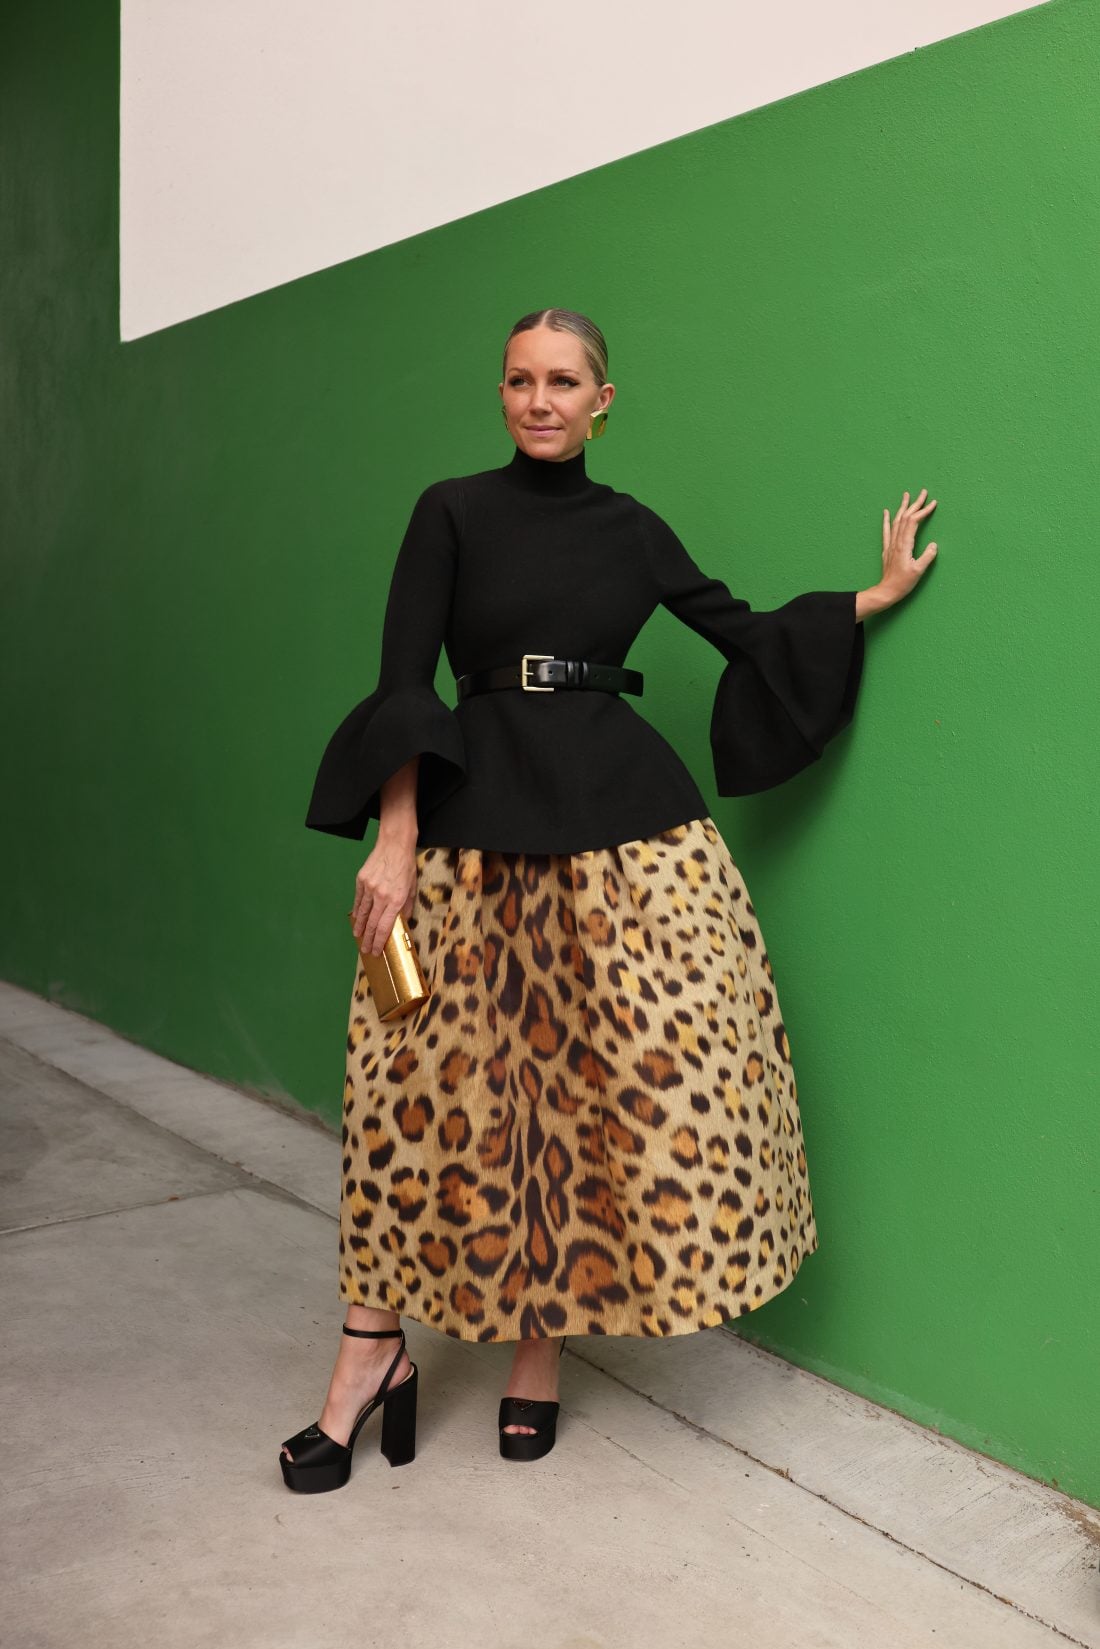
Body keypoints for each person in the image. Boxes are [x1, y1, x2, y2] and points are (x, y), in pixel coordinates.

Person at [279, 307, 938, 1488]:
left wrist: (868, 598)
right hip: (473, 823)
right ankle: (370, 1351)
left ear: (601, 400)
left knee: (584, 1094)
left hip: (617, 823)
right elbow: (401, 681)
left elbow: (738, 629)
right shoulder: (449, 511)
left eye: (561, 380)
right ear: (501, 393)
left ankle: (539, 1349)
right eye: (518, 380)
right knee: (408, 1095)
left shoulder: (630, 527)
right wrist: (395, 834)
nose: (538, 400)